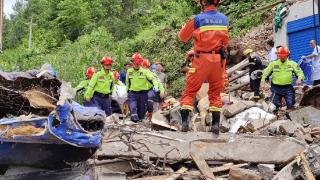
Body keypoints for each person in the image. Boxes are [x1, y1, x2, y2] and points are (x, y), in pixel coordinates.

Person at [178, 0, 229, 134]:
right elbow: (225, 43)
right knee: (215, 93)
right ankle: (216, 125)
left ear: (203, 3)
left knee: (190, 91)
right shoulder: (224, 19)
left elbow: (182, 37)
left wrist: (185, 27)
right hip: (218, 60)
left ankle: (184, 124)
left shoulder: (197, 19)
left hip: (201, 60)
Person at [261, 47, 304, 112]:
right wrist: (263, 82)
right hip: (276, 88)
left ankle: (289, 118)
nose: (282, 58)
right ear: (278, 55)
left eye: (284, 56)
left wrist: (299, 78)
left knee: (291, 104)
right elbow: (265, 74)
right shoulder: (273, 64)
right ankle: (277, 117)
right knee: (275, 105)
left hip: (288, 88)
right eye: (281, 56)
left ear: (287, 55)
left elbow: (300, 72)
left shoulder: (292, 64)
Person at [126, 53, 159, 122]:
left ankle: (138, 126)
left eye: (138, 64)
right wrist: (127, 92)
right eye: (135, 64)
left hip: (143, 94)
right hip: (132, 94)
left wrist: (155, 86)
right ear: (132, 63)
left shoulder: (145, 71)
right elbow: (127, 83)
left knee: (141, 114)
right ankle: (134, 119)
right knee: (133, 109)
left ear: (140, 63)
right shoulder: (129, 71)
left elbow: (153, 79)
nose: (137, 65)